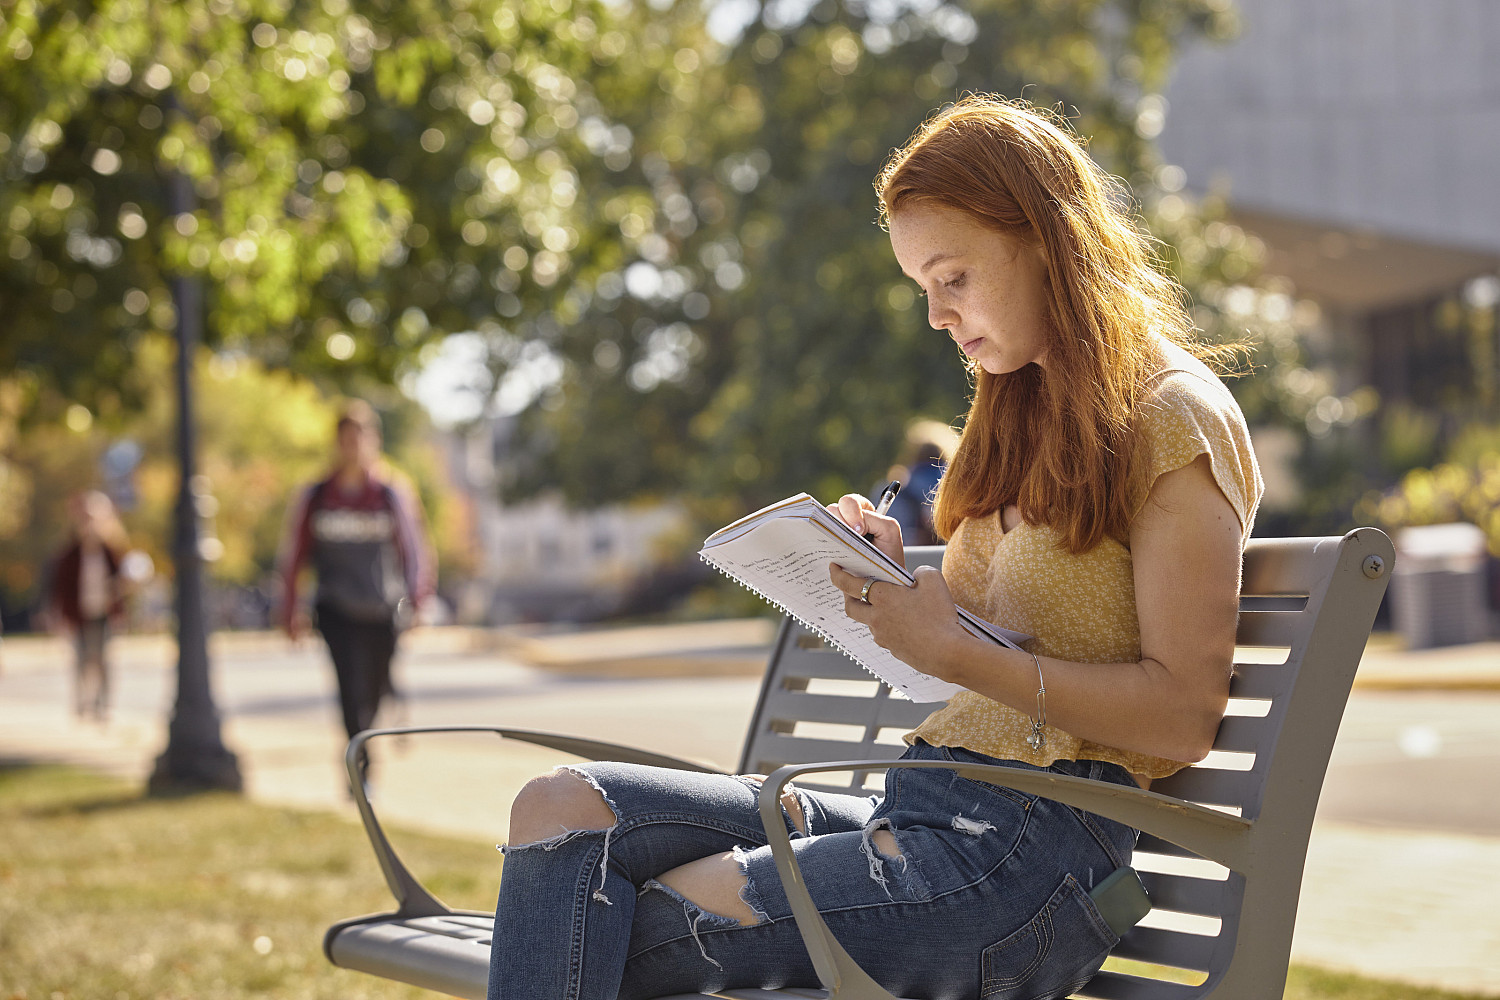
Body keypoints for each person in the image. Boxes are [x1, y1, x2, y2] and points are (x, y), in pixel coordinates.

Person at [485, 95, 1263, 1000]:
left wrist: (957, 650)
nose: (937, 314)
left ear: (1044, 239)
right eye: (923, 289)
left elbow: (1181, 715)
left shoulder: (1172, 415)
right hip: (927, 810)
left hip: (1020, 865)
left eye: (953, 278)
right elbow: (1021, 630)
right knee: (558, 810)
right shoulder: (1020, 413)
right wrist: (895, 578)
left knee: (594, 917)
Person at [277, 401, 434, 765]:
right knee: (349, 687)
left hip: (382, 607)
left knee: (375, 688)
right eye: (347, 439)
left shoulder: (391, 493)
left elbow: (415, 550)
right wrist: (290, 610)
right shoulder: (316, 496)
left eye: (361, 438)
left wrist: (419, 601)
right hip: (335, 607)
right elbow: (293, 556)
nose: (354, 447)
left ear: (374, 441)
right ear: (337, 443)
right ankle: (359, 762)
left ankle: (364, 739)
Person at [46, 490, 131, 721]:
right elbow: (60, 586)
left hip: (104, 611)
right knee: (81, 658)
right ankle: (82, 701)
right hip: (79, 612)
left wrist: (119, 604)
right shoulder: (70, 553)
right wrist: (58, 615)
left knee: (102, 658)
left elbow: (124, 581)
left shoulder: (111, 551)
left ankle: (103, 705)